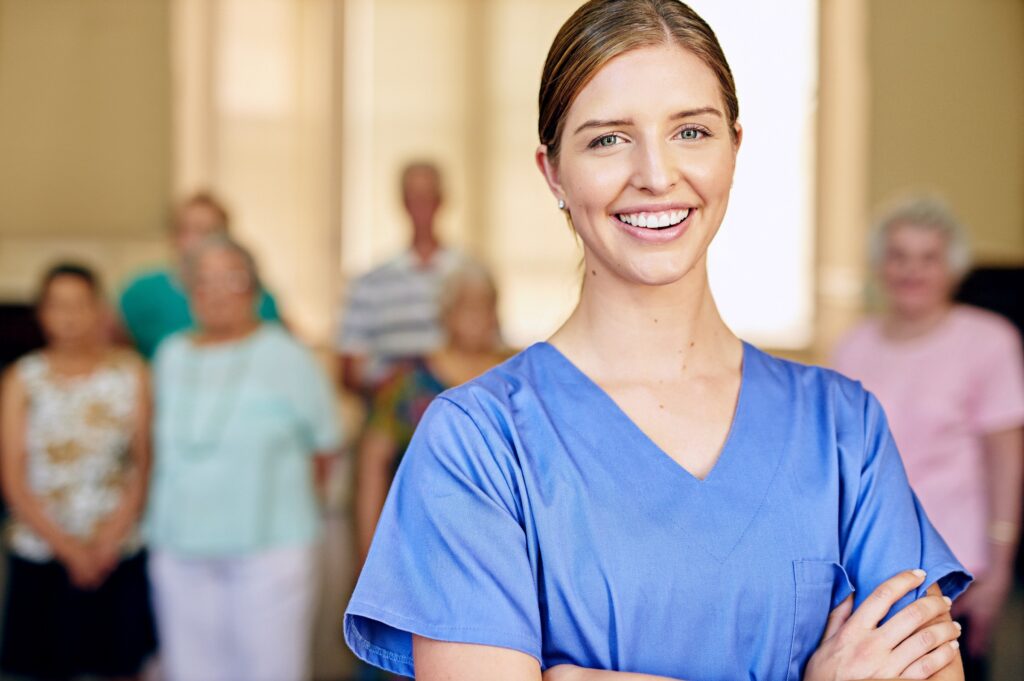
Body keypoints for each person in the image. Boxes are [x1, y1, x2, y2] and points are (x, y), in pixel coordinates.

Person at [344, 2, 973, 680]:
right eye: (608, 139)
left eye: (691, 131)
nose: (656, 174)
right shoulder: (477, 442)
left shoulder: (844, 428)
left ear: (735, 146)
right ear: (553, 172)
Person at [832, 197, 1024, 679]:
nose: (911, 270)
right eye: (898, 256)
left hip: (959, 566)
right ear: (880, 266)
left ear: (953, 267)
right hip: (872, 564)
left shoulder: (988, 339)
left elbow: (1006, 459)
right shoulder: (854, 344)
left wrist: (999, 569)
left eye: (928, 257)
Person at [146, 234, 342, 681]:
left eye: (230, 279)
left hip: (270, 547)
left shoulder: (288, 356)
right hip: (178, 545)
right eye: (203, 281)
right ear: (188, 290)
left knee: (269, 670)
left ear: (254, 289)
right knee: (189, 670)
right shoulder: (170, 355)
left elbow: (326, 448)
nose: (215, 292)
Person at [0, 263, 156, 680]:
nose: (68, 316)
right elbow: (13, 476)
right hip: (41, 548)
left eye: (79, 304)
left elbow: (143, 464)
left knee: (115, 666)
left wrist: (107, 540)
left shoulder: (130, 372)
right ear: (42, 313)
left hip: (116, 550)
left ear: (98, 310)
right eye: (57, 305)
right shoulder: (23, 377)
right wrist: (69, 550)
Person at [354, 263, 508, 568]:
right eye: (467, 307)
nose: (479, 318)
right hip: (420, 547)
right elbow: (372, 467)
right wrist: (370, 556)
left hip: (498, 550)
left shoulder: (515, 377)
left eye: (486, 306)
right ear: (446, 314)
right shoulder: (409, 381)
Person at [335, 162, 465, 395]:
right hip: (391, 405)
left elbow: (489, 351)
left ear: (441, 200)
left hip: (457, 398)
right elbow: (349, 368)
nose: (421, 205)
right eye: (413, 197)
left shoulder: (470, 276)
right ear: (403, 203)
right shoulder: (369, 283)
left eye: (428, 196)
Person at [117, 191, 283, 359]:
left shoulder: (254, 296)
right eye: (186, 230)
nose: (197, 240)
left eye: (208, 231)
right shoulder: (140, 293)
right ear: (172, 236)